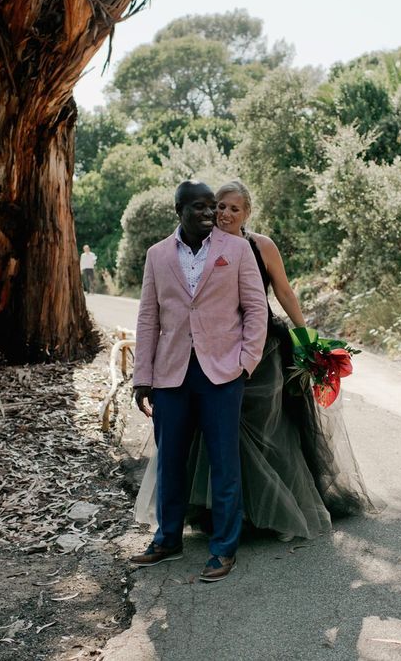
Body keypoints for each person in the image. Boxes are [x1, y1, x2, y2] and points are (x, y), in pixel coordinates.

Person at [135, 179, 375, 541]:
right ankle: (214, 514)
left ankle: (277, 510)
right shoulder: (197, 245)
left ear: (247, 213)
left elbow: (282, 292)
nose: (225, 214)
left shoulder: (259, 246)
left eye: (234, 208)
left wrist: (305, 337)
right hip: (205, 359)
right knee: (206, 442)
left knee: (266, 435)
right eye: (221, 207)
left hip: (260, 353)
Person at [129, 180, 268, 582]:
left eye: (215, 208)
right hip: (170, 373)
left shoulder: (236, 250)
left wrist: (246, 362)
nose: (211, 215)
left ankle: (224, 548)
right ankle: (167, 539)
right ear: (179, 210)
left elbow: (255, 309)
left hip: (223, 372)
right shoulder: (157, 255)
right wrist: (143, 376)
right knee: (170, 460)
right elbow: (148, 317)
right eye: (201, 208)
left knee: (225, 463)